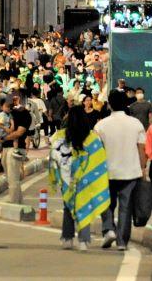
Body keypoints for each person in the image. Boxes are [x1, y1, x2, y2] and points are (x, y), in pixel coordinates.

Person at [49, 105, 111, 251]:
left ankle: (67, 238)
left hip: (68, 180)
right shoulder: (92, 138)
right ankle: (83, 241)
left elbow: (54, 158)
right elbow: (100, 160)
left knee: (68, 207)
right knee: (85, 207)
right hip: (87, 179)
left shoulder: (60, 136)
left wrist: (55, 177)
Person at [94, 90, 147, 251]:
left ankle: (109, 229)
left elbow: (96, 151)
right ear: (126, 104)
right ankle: (122, 242)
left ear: (109, 104)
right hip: (130, 171)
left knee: (106, 204)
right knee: (126, 208)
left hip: (106, 171)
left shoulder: (101, 125)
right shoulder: (136, 124)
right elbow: (141, 149)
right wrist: (143, 168)